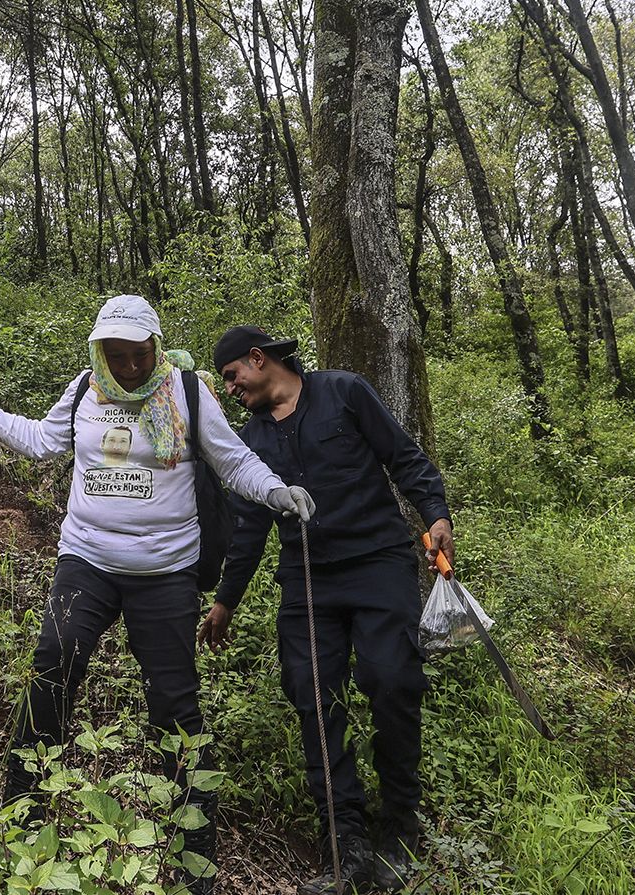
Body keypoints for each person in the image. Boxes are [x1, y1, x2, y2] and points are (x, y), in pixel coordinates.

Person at [0, 295, 315, 895]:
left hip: (165, 572)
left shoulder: (188, 392)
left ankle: (193, 847)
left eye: (139, 354)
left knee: (174, 701)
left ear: (156, 346)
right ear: (99, 353)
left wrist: (277, 492)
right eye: (117, 357)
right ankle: (21, 815)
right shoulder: (86, 391)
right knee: (52, 668)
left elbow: (233, 461)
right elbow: (41, 441)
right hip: (85, 560)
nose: (130, 367)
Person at [201, 326, 455, 894]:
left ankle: (398, 829)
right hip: (308, 579)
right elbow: (250, 529)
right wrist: (225, 600)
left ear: (258, 359)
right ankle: (344, 843)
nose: (231, 387)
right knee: (312, 692)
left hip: (379, 563)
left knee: (391, 679)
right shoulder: (252, 440)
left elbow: (403, 457)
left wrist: (436, 516)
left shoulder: (344, 391)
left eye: (232, 374)